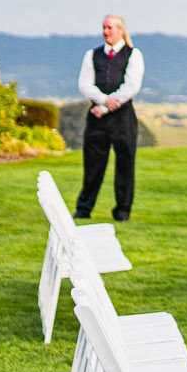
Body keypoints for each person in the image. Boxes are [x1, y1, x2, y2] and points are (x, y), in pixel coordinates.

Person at [74, 14, 144, 223]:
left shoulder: (133, 55)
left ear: (121, 30)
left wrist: (105, 107)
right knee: (92, 165)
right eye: (104, 28)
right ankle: (84, 208)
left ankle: (122, 211)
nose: (106, 32)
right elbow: (85, 85)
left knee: (125, 164)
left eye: (110, 28)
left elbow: (131, 86)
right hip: (97, 118)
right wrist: (103, 100)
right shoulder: (92, 55)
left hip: (123, 118)